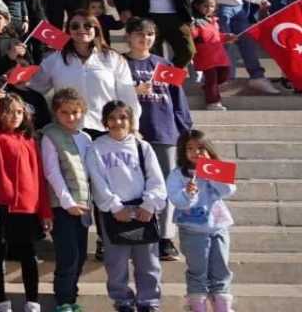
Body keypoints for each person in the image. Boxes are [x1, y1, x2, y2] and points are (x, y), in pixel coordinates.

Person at [122, 17, 193, 262]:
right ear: (129, 35)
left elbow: (179, 102)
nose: (145, 38)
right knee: (131, 186)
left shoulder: (164, 64)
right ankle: (130, 234)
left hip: (164, 132)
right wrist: (133, 91)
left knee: (164, 186)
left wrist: (186, 131)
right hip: (129, 134)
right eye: (140, 34)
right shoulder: (119, 63)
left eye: (150, 34)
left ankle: (164, 238)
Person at [86, 101, 167, 312]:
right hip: (114, 214)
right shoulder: (96, 148)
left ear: (130, 121)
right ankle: (122, 302)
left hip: (143, 211)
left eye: (122, 117)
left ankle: (148, 302)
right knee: (116, 264)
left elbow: (155, 178)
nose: (117, 122)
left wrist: (149, 204)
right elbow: (98, 181)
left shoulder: (142, 146)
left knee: (148, 263)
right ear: (104, 121)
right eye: (112, 118)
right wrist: (114, 207)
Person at [0, 87, 51, 312]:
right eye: (9, 112)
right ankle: (1, 301)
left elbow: (40, 177)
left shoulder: (30, 141)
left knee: (28, 255)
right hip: (0, 205)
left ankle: (32, 301)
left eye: (19, 112)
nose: (14, 116)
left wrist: (45, 211)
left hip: (27, 208)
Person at [29, 11, 140, 137]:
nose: (81, 29)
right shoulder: (54, 60)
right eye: (75, 26)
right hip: (68, 132)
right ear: (68, 30)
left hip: (106, 131)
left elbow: (127, 95)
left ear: (96, 29)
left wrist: (133, 127)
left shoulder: (114, 59)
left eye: (87, 26)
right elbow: (35, 91)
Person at [168, 130, 237, 312]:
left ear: (208, 149)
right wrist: (188, 193)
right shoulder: (178, 174)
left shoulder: (215, 169)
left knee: (221, 269)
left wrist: (212, 174)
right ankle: (197, 306)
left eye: (200, 148)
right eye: (189, 148)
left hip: (218, 227)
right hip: (192, 230)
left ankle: (222, 306)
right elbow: (177, 201)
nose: (195, 153)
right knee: (198, 272)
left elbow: (228, 190)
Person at [40, 88, 94, 312]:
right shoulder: (50, 135)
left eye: (75, 112)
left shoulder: (86, 138)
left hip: (83, 207)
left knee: (80, 256)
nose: (71, 117)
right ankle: (63, 301)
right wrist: (67, 202)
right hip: (63, 207)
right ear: (56, 112)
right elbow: (52, 172)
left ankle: (73, 297)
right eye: (65, 113)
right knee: (68, 257)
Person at [190, 0, 235, 110]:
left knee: (225, 75)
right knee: (212, 79)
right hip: (206, 55)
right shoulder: (196, 22)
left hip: (219, 54)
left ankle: (209, 89)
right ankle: (213, 102)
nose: (209, 9)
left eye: (212, 6)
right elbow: (193, 35)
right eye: (205, 6)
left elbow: (217, 36)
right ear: (197, 6)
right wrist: (191, 27)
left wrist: (227, 37)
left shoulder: (214, 21)